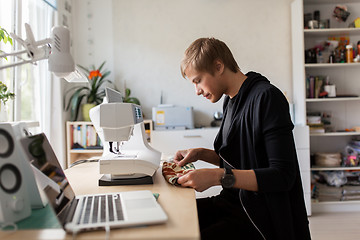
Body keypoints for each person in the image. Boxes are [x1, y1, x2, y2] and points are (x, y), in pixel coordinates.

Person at [174, 37, 311, 240]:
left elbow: (282, 176)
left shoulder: (267, 98)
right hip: (233, 202)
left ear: (218, 66)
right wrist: (201, 154)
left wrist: (216, 177)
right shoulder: (230, 102)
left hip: (258, 215)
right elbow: (245, 161)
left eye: (198, 81)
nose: (197, 91)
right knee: (176, 217)